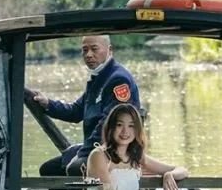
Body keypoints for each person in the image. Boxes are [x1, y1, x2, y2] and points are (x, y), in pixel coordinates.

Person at [31, 33, 141, 175]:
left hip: (116, 151)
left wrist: (82, 152)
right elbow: (76, 111)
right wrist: (48, 104)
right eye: (84, 50)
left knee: (74, 168)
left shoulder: (118, 80)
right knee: (48, 169)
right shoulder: (98, 78)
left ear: (109, 50)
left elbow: (109, 125)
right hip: (96, 148)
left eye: (94, 49)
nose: (88, 55)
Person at [85, 104, 187, 190]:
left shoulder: (135, 156)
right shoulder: (98, 156)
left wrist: (169, 174)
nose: (125, 131)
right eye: (119, 125)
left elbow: (182, 170)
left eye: (131, 126)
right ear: (111, 127)